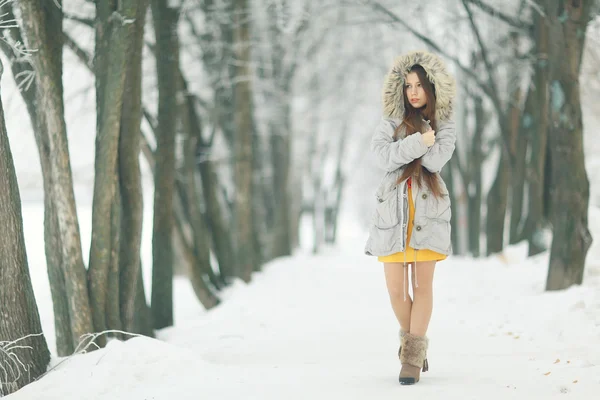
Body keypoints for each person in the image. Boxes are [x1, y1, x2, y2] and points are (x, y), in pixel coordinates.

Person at [364, 50, 457, 385]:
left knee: (422, 286)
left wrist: (415, 146)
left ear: (431, 88)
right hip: (392, 215)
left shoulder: (445, 125)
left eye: (419, 85)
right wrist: (420, 141)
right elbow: (382, 158)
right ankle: (413, 342)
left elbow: (434, 162)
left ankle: (411, 360)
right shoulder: (389, 123)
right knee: (395, 289)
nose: (413, 91)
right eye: (408, 86)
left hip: (428, 212)